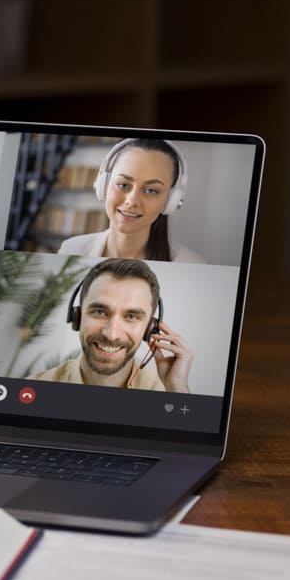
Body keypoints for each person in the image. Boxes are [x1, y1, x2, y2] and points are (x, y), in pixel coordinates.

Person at [29, 259, 194, 393]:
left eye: (131, 316)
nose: (111, 334)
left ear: (150, 328)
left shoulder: (167, 394)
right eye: (100, 312)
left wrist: (177, 390)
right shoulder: (34, 387)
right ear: (77, 316)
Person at [58, 137, 206, 263]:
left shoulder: (192, 263)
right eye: (123, 185)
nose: (132, 201)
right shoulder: (71, 250)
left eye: (151, 190)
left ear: (171, 201)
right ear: (104, 184)